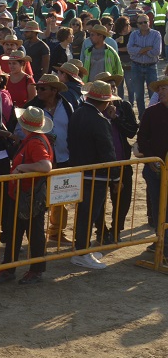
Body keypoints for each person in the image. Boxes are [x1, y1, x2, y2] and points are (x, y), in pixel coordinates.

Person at [0, 107, 54, 285]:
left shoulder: (34, 142)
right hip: (27, 194)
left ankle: (28, 269)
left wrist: (22, 168)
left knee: (29, 233)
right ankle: (24, 268)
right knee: (22, 232)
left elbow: (45, 166)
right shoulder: (38, 139)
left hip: (27, 194)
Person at [67, 81, 120, 271]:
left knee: (84, 214)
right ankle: (82, 252)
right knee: (89, 214)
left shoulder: (77, 114)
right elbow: (108, 152)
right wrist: (115, 178)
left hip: (78, 172)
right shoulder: (99, 120)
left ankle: (81, 249)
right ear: (104, 102)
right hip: (96, 176)